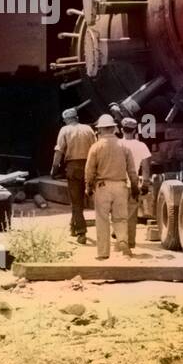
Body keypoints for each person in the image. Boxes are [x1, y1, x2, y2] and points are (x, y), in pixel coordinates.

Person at [84, 114, 138, 260]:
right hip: (121, 186)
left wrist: (88, 187)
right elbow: (132, 171)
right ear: (114, 128)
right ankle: (123, 245)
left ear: (100, 130)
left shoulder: (95, 147)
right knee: (121, 218)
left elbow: (89, 171)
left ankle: (103, 253)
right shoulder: (124, 146)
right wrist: (135, 187)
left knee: (102, 219)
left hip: (102, 187)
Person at [50, 107, 96, 244]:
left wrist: (54, 168)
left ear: (67, 120)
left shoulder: (65, 130)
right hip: (89, 166)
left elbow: (59, 151)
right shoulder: (88, 129)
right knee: (81, 200)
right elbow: (96, 149)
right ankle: (73, 227)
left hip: (73, 168)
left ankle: (81, 233)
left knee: (76, 201)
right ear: (77, 118)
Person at [120, 116, 152, 250]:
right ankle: (131, 242)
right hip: (133, 185)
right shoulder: (142, 146)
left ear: (122, 130)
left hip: (118, 184)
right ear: (135, 131)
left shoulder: (117, 144)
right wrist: (145, 183)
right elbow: (146, 167)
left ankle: (120, 241)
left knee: (118, 214)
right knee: (132, 215)